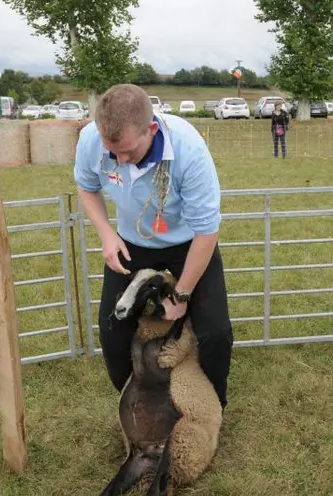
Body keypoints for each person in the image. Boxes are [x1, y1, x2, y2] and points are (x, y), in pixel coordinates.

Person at [73, 84, 234, 410]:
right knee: (112, 331)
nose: (120, 160)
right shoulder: (91, 139)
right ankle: (139, 401)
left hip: (188, 244)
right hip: (131, 243)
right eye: (112, 152)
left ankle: (210, 406)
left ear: (151, 129)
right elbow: (87, 187)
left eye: (128, 152)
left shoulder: (190, 151)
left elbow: (206, 232)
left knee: (215, 332)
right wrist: (107, 234)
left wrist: (183, 294)